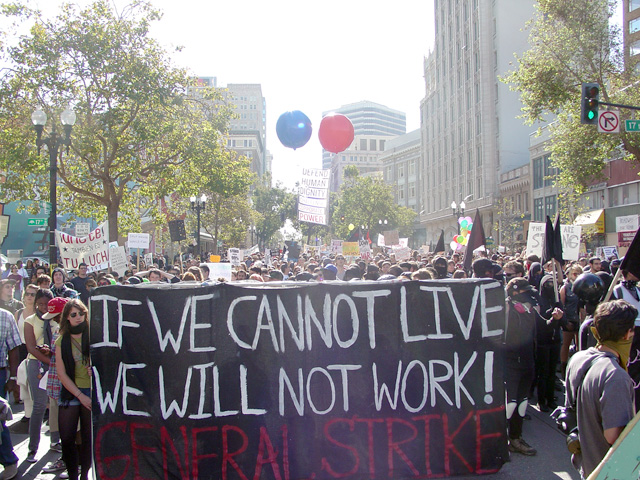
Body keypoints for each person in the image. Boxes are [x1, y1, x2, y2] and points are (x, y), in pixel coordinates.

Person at [565, 300, 636, 478]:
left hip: (585, 465)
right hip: (609, 471)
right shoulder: (616, 376)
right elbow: (615, 437)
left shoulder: (578, 358)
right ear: (627, 334)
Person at [55, 299, 92, 480]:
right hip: (71, 392)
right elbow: (61, 374)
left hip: (90, 390)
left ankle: (84, 475)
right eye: (74, 314)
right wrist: (79, 396)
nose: (78, 317)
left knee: (87, 439)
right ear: (67, 318)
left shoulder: (94, 336)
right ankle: (72, 475)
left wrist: (95, 370)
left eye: (81, 313)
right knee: (67, 437)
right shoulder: (62, 340)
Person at [504, 278, 538, 456]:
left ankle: (516, 438)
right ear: (514, 292)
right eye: (524, 290)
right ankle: (500, 439)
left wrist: (556, 320)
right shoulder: (506, 308)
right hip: (510, 363)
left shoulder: (530, 309)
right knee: (509, 403)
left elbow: (542, 328)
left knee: (522, 403)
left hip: (527, 361)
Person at [23, 289, 59, 463]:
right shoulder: (30, 321)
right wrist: (49, 362)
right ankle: (33, 448)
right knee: (39, 406)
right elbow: (30, 347)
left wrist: (55, 363)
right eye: (41, 304)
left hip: (55, 363)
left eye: (47, 304)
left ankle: (55, 440)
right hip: (37, 364)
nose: (44, 307)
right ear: (36, 303)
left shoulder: (58, 320)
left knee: (56, 404)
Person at [0, 305, 21, 479]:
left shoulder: (5, 316)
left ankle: (9, 461)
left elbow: (14, 348)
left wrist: (13, 377)